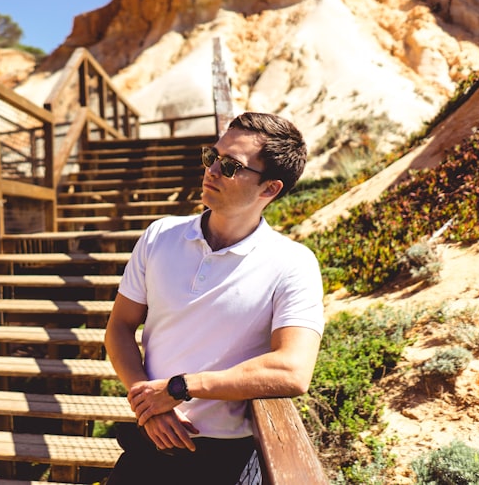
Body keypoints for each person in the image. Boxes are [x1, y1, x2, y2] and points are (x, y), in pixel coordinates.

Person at [104, 112, 325, 484]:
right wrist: (149, 404)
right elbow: (119, 330)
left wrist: (179, 388)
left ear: (269, 189)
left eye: (230, 166)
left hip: (225, 463)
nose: (212, 170)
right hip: (148, 443)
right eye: (212, 156)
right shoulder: (160, 236)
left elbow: (293, 370)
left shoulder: (293, 263)